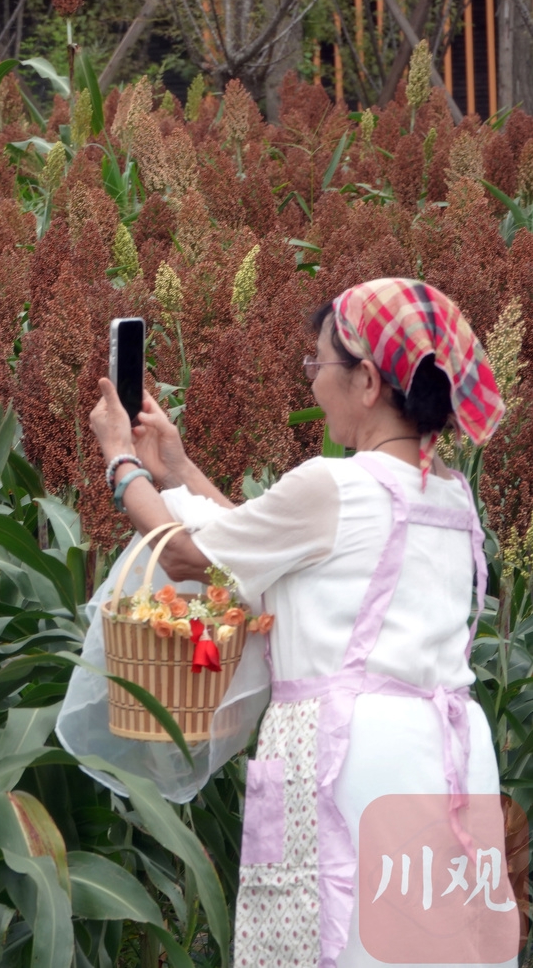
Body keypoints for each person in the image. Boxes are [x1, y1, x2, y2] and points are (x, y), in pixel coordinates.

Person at [87, 278, 509, 968]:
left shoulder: (333, 484)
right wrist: (180, 468)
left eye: (319, 364)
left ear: (367, 380)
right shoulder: (449, 494)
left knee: (333, 942)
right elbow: (272, 550)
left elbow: (195, 556)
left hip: (346, 757)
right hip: (448, 757)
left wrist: (119, 458)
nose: (313, 382)